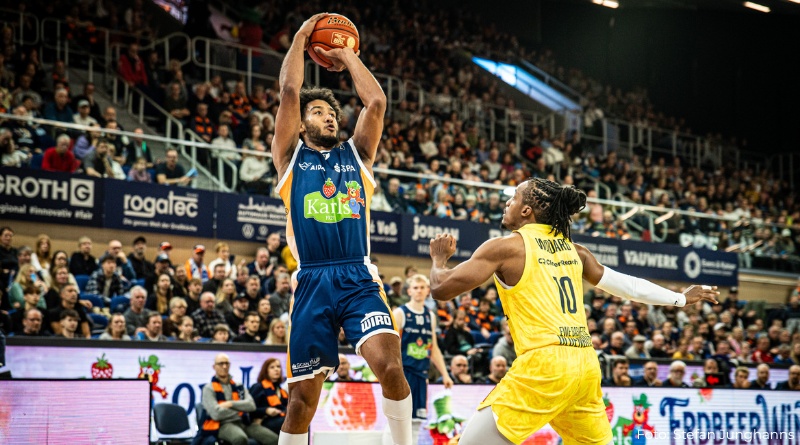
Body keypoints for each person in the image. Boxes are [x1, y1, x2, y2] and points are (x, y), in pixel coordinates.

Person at [427, 177, 719, 445]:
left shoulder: (505, 248)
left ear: (527, 210)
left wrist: (439, 260)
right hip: (585, 365)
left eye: (513, 197)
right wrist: (680, 298)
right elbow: (627, 285)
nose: (507, 202)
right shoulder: (575, 251)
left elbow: (441, 289)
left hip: (544, 365)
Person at [270, 13, 411, 445]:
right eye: (318, 112)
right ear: (302, 124)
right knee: (300, 403)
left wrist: (347, 55)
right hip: (312, 281)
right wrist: (302, 36)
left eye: (332, 113)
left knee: (391, 368)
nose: (329, 118)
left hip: (357, 276)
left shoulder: (358, 155)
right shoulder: (289, 157)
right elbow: (289, 90)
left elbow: (376, 103)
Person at [198, 353, 278, 445]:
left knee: (274, 439)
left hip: (244, 422)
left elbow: (251, 406)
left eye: (227, 363)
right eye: (221, 363)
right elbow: (216, 414)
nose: (224, 366)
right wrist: (241, 409)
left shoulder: (239, 386)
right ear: (214, 367)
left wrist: (230, 404)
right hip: (222, 424)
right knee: (240, 438)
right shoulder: (208, 388)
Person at [250, 358, 289, 435]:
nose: (276, 369)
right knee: (288, 423)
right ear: (266, 371)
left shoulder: (282, 391)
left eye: (278, 366)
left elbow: (284, 408)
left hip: (279, 419)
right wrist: (266, 410)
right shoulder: (258, 387)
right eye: (272, 367)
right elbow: (250, 409)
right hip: (262, 421)